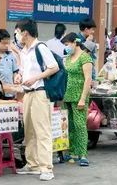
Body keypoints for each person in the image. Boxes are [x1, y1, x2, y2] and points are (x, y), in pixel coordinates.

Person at [15, 17, 59, 181]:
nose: (17, 35)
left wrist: (35, 78)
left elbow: (53, 67)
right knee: (30, 131)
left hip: (40, 92)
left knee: (42, 131)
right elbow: (24, 70)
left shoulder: (40, 48)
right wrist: (20, 76)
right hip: (28, 93)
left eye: (18, 32)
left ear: (25, 32)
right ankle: (32, 164)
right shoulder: (24, 50)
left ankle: (46, 167)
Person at [62, 33, 92, 166]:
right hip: (67, 95)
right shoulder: (68, 58)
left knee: (80, 125)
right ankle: (73, 152)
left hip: (79, 96)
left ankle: (83, 154)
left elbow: (88, 79)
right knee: (70, 125)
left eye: (67, 44)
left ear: (75, 43)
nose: (66, 47)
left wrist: (83, 98)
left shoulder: (85, 57)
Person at [0, 29, 20, 100]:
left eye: (8, 43)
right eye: (4, 43)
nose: (7, 46)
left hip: (10, 92)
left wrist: (16, 80)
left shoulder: (11, 56)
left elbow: (15, 72)